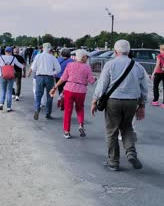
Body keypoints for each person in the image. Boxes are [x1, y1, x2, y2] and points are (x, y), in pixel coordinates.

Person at [91, 40, 148, 171]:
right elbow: (144, 88)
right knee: (127, 127)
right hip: (132, 102)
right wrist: (142, 105)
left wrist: (95, 100)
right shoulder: (138, 66)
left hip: (113, 101)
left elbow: (102, 85)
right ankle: (131, 152)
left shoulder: (110, 65)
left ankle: (113, 161)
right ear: (129, 52)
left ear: (115, 52)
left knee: (112, 131)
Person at [50, 49, 95, 139]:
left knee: (68, 110)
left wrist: (55, 87)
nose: (87, 58)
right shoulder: (87, 67)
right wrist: (95, 78)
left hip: (69, 89)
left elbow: (63, 78)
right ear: (82, 57)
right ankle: (81, 124)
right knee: (79, 108)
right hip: (81, 90)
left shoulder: (70, 65)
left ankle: (67, 131)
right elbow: (91, 81)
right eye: (86, 56)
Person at [28, 43, 61, 120]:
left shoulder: (38, 56)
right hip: (49, 77)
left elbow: (33, 68)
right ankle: (48, 113)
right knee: (50, 96)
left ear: (42, 48)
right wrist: (53, 73)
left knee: (38, 94)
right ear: (50, 49)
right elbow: (59, 69)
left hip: (39, 77)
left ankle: (37, 109)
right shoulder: (52, 57)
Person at [0, 47, 24, 112]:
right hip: (11, 76)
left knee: (3, 90)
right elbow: (20, 65)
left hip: (2, 76)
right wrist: (24, 67)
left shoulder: (1, 57)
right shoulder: (13, 58)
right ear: (11, 52)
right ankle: (8, 107)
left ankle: (1, 104)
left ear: (5, 51)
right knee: (9, 91)